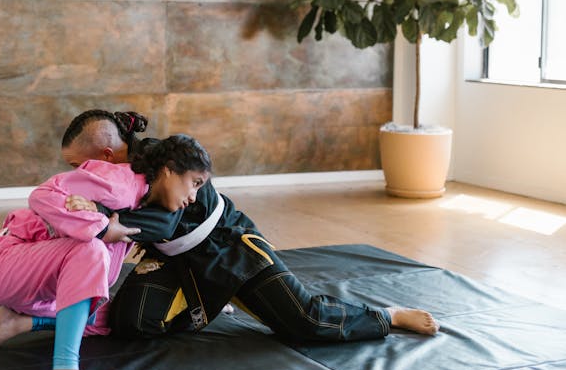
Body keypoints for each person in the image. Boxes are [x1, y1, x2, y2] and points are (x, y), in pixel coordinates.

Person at [60, 109, 440, 344]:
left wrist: (104, 220)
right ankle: (211, 301)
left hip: (228, 248)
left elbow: (162, 220)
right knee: (132, 322)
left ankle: (387, 316)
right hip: (177, 261)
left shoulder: (162, 161)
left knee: (304, 321)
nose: (74, 174)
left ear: (106, 154)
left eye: (77, 165)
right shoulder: (108, 178)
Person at [0, 134, 211, 370]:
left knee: (110, 315)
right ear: (169, 168)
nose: (193, 197)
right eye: (195, 183)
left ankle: (18, 322)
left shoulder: (146, 203)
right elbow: (42, 195)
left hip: (38, 287)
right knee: (91, 250)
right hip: (2, 265)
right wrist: (102, 229)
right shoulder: (120, 184)